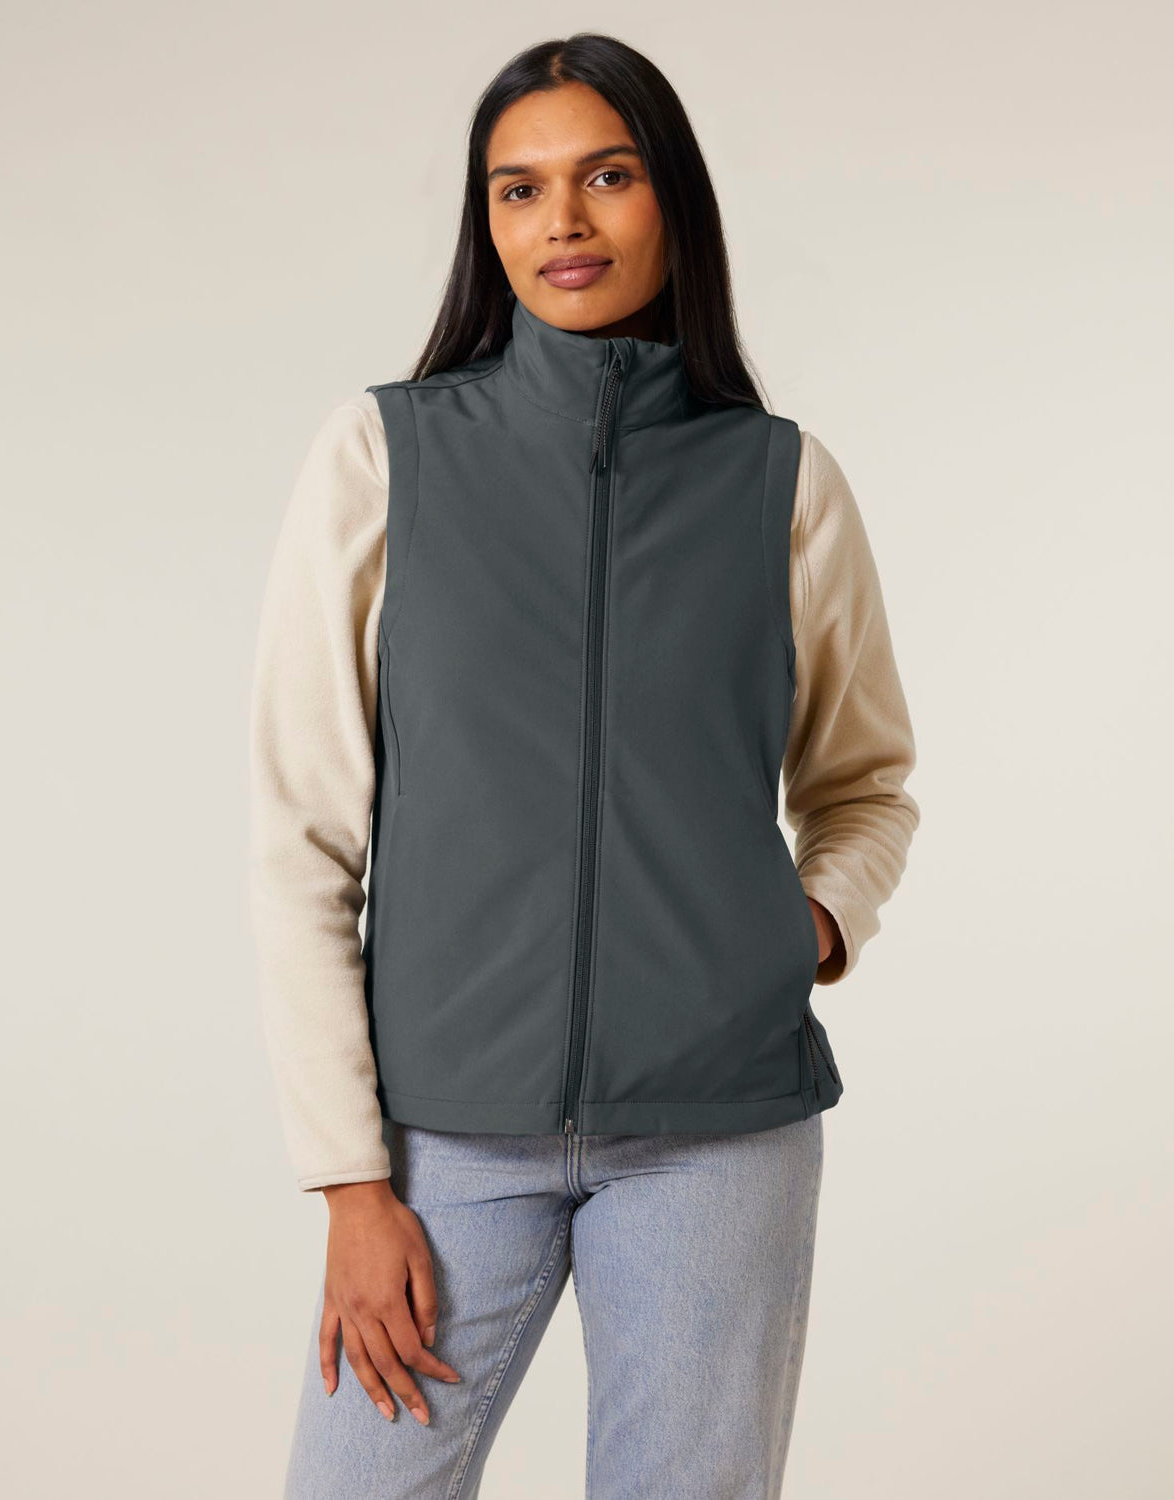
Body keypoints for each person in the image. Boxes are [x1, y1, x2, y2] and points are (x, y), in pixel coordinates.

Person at [248, 32, 920, 1500]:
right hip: (442, 1140)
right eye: (520, 188)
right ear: (486, 225)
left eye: (607, 176)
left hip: (720, 1136)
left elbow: (865, 782)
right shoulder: (383, 459)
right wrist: (350, 1179)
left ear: (671, 196)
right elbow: (302, 836)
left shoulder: (781, 482)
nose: (563, 220)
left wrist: (809, 926)